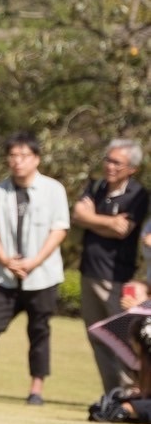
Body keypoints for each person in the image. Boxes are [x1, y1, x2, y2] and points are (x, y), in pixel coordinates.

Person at [0, 134, 70, 406]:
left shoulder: (53, 189)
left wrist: (34, 262)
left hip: (42, 276)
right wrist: (5, 260)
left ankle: (36, 389)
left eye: (24, 156)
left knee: (39, 331)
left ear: (36, 159)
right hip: (6, 276)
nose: (17, 161)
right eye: (13, 156)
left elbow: (59, 229)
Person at [72, 139, 149, 394]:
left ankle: (133, 392)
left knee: (122, 338)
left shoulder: (137, 194)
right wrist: (106, 221)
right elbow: (78, 215)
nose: (110, 166)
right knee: (98, 337)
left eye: (117, 163)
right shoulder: (96, 186)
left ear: (132, 169)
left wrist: (91, 218)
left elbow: (122, 230)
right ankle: (112, 393)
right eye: (108, 160)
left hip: (116, 276)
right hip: (89, 272)